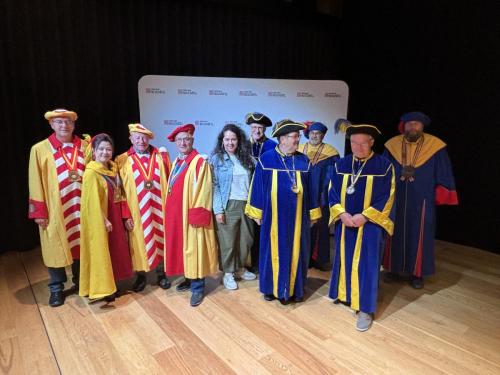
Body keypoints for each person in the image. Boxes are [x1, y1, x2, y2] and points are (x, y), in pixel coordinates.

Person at [328, 121, 395, 332]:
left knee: (367, 264)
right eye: (354, 143)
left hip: (370, 226)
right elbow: (331, 191)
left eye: (362, 143)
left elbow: (388, 197)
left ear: (372, 142)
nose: (357, 147)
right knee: (344, 257)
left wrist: (365, 216)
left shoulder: (384, 166)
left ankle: (365, 308)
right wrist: (342, 213)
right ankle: (344, 293)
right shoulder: (341, 164)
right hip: (346, 222)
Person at [245, 119, 321, 304]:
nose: (297, 140)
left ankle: (295, 289)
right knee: (271, 251)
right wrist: (257, 213)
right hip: (273, 218)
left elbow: (312, 189)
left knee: (298, 252)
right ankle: (271, 288)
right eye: (293, 137)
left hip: (299, 219)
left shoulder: (303, 160)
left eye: (297, 137)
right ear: (282, 139)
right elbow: (258, 188)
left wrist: (313, 214)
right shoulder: (267, 159)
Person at [383, 111, 458, 289]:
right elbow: (383, 170)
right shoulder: (392, 145)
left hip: (423, 199)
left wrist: (443, 193)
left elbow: (443, 171)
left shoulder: (435, 146)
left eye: (417, 124)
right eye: (410, 124)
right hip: (396, 197)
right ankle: (392, 269)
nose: (413, 127)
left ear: (422, 127)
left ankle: (417, 274)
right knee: (393, 230)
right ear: (404, 126)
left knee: (420, 234)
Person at [28, 108, 89, 307]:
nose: (64, 125)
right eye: (60, 122)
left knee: (82, 245)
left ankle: (81, 281)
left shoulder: (85, 146)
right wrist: (39, 211)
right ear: (52, 125)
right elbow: (35, 181)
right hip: (55, 209)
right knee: (54, 247)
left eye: (68, 122)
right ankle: (56, 288)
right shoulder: (40, 149)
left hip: (82, 207)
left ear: (74, 124)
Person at [164, 124, 218, 306]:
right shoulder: (177, 162)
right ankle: (188, 278)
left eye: (186, 139)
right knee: (183, 248)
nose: (183, 143)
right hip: (177, 215)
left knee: (195, 249)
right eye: (179, 140)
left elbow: (204, 190)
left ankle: (198, 287)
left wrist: (196, 216)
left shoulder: (199, 162)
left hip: (191, 216)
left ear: (192, 141)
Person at [115, 123, 172, 292]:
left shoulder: (161, 157)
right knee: (138, 243)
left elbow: (170, 183)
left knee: (161, 240)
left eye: (144, 137)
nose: (141, 140)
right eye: (137, 137)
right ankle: (141, 275)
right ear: (130, 139)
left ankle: (162, 274)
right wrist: (125, 215)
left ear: (149, 138)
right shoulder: (121, 160)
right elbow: (119, 193)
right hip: (136, 212)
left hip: (160, 210)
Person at [79, 134, 134, 302]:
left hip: (116, 217)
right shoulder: (91, 172)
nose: (105, 152)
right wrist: (103, 219)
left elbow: (121, 195)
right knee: (103, 251)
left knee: (115, 251)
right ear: (94, 152)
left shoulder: (113, 169)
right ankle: (104, 288)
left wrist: (125, 217)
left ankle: (113, 284)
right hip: (102, 219)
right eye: (101, 149)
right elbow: (91, 202)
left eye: (108, 149)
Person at [210, 124, 256, 290]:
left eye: (233, 139)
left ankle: (240, 268)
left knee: (246, 240)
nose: (230, 142)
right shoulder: (216, 160)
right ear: (222, 141)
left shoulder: (248, 159)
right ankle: (228, 273)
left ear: (239, 140)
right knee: (228, 242)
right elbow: (214, 186)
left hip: (246, 204)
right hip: (228, 204)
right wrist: (218, 210)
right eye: (227, 139)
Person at [298, 121, 340, 271]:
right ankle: (303, 257)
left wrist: (325, 194)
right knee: (303, 225)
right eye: (312, 133)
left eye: (318, 133)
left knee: (320, 227)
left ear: (322, 136)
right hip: (302, 193)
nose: (315, 136)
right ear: (308, 134)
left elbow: (334, 176)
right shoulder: (299, 149)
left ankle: (318, 259)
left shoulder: (331, 153)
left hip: (321, 194)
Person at [245, 112, 277, 274]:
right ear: (250, 128)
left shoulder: (272, 146)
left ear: (265, 129)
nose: (257, 130)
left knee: (261, 228)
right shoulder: (242, 145)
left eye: (260, 127)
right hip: (244, 193)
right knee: (246, 231)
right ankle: (245, 263)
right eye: (254, 127)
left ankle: (260, 262)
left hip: (264, 194)